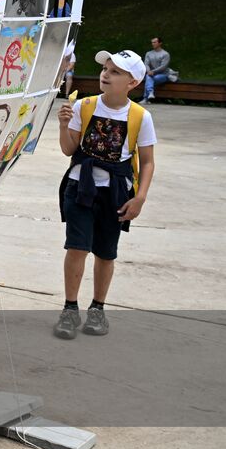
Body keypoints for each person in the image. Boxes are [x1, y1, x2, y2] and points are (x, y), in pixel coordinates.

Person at [54, 50, 157, 340]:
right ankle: (70, 309)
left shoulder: (140, 116)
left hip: (115, 193)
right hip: (80, 187)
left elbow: (148, 161)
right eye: (105, 69)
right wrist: (63, 125)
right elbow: (69, 149)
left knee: (105, 252)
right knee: (76, 248)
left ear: (132, 83)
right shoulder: (84, 106)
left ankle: (97, 308)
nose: (105, 75)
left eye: (115, 72)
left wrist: (140, 197)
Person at [142, 37, 172, 103]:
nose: (153, 44)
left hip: (163, 75)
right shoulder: (148, 53)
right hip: (151, 74)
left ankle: (146, 98)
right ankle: (150, 94)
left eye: (155, 42)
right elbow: (146, 64)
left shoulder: (165, 54)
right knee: (148, 77)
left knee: (149, 78)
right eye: (152, 42)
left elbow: (163, 67)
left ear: (160, 43)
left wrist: (153, 71)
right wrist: (148, 71)